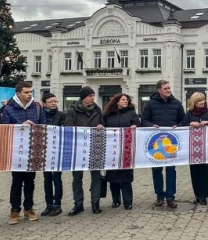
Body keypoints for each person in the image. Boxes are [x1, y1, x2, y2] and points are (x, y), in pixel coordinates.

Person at [1, 81, 47, 224]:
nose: (29, 95)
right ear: (18, 93)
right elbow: (4, 129)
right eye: (26, 92)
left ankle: (29, 208)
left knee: (30, 181)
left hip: (33, 149)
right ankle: (14, 210)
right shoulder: (8, 109)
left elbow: (44, 125)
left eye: (30, 92)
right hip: (16, 151)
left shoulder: (37, 107)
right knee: (16, 181)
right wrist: (21, 126)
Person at [141, 80, 186, 208]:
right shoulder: (150, 104)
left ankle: (170, 196)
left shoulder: (176, 103)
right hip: (156, 143)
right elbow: (143, 120)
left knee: (171, 170)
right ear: (159, 90)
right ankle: (160, 196)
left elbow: (183, 120)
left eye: (169, 88)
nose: (168, 90)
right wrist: (151, 125)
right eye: (165, 88)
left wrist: (179, 126)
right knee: (156, 170)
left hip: (171, 142)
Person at [65, 86, 105, 215]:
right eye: (90, 96)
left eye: (93, 96)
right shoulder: (72, 110)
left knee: (96, 176)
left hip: (94, 146)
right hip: (78, 148)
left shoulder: (98, 110)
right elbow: (68, 127)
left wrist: (101, 126)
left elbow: (104, 125)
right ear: (83, 98)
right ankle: (78, 204)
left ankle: (95, 202)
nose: (93, 98)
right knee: (77, 177)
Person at [103, 93, 142, 210]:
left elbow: (138, 125)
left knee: (126, 177)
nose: (126, 101)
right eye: (123, 99)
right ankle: (116, 200)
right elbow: (103, 125)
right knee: (112, 176)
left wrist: (135, 126)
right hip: (112, 149)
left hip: (126, 149)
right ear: (117, 101)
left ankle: (128, 201)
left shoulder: (131, 113)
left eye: (127, 100)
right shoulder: (108, 115)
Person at [183, 92, 208, 205]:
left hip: (207, 148)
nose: (202, 102)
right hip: (193, 149)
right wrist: (190, 124)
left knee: (206, 173)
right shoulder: (188, 114)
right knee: (195, 173)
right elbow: (182, 126)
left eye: (203, 100)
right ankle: (197, 195)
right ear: (194, 102)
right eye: (199, 100)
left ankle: (203, 195)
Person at [41, 93, 65, 216]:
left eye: (55, 101)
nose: (53, 103)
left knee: (57, 178)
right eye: (50, 101)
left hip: (57, 150)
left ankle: (57, 204)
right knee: (47, 179)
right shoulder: (40, 115)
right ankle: (48, 204)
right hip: (44, 151)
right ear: (44, 103)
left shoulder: (61, 115)